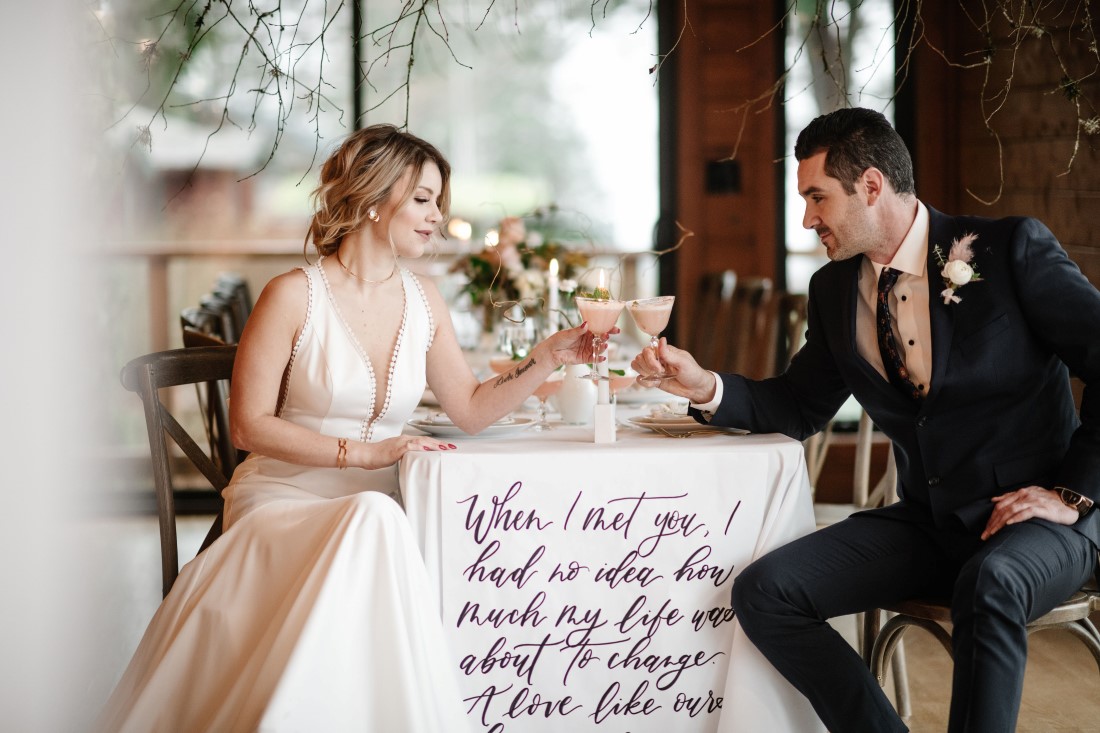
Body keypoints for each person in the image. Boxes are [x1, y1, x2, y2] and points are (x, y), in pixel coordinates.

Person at [98, 124, 600, 732]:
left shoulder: (425, 300)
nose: (437, 216)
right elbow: (248, 427)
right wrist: (367, 456)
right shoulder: (291, 295)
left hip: (374, 505)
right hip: (284, 496)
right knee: (380, 517)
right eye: (422, 199)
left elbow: (468, 407)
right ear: (371, 197)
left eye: (439, 201)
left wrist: (548, 355)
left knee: (398, 522)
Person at [632, 107, 1100, 732]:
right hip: (930, 523)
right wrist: (705, 385)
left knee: (992, 582)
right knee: (765, 593)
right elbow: (798, 406)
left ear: (871, 186)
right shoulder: (833, 291)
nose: (807, 218)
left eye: (817, 197)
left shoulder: (1011, 248)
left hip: (1039, 522)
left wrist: (1072, 494)